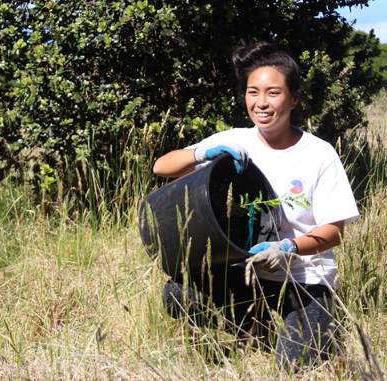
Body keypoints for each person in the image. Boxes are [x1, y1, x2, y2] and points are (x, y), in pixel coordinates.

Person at [152, 41, 360, 370]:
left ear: (294, 99)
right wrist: (204, 153)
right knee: (178, 293)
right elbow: (162, 167)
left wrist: (288, 247)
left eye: (273, 93)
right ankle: (253, 325)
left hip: (303, 282)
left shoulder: (319, 154)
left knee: (292, 367)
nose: (261, 103)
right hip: (245, 277)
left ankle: (301, 326)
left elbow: (334, 233)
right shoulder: (236, 141)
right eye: (253, 92)